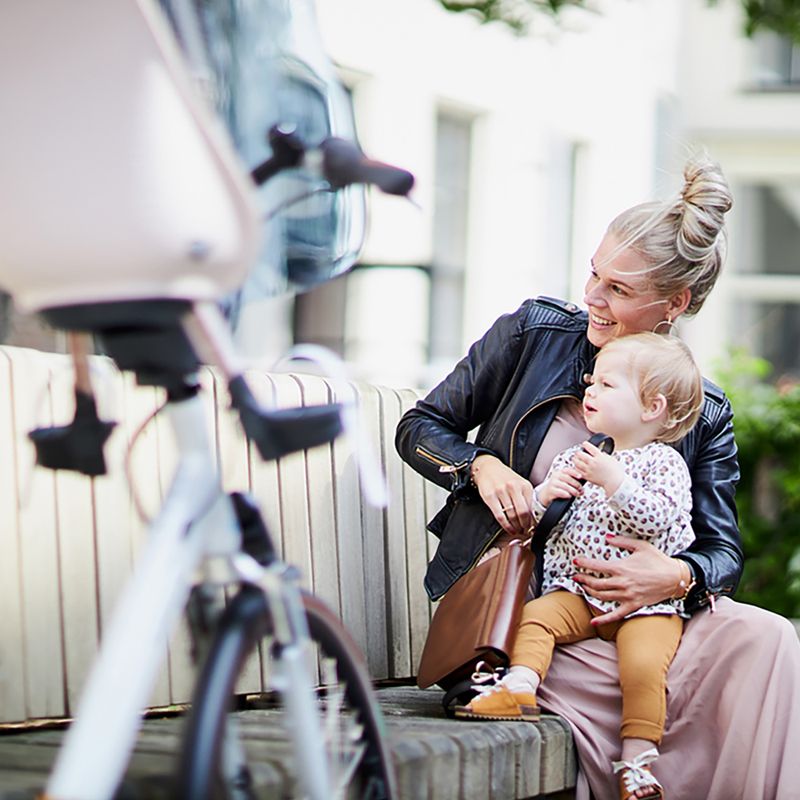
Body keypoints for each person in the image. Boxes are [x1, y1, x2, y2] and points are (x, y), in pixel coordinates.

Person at [395, 153, 800, 800]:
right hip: (532, 611)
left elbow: (723, 551)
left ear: (675, 304)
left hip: (649, 612)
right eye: (594, 274)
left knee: (772, 640)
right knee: (633, 682)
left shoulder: (702, 409)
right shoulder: (533, 335)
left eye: (619, 289)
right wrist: (481, 466)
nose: (592, 297)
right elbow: (419, 427)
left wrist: (679, 574)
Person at [455, 333, 704, 800]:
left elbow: (659, 519)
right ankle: (520, 686)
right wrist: (547, 495)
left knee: (645, 666)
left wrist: (615, 482)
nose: (589, 391)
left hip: (645, 607)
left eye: (607, 385)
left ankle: (636, 761)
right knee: (536, 618)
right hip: (575, 591)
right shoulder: (579, 456)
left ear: (651, 406)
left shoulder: (663, 463)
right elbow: (540, 524)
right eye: (591, 381)